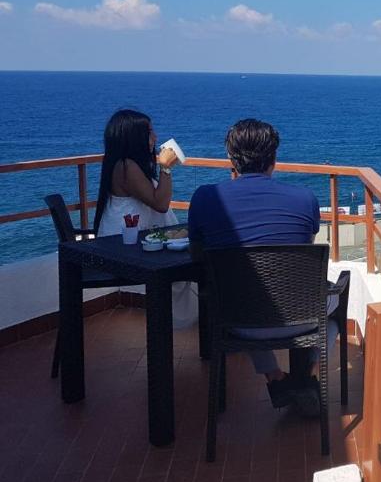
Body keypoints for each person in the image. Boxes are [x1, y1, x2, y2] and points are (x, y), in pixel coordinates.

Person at [188, 119, 345, 416]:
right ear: (274, 158)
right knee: (335, 314)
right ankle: (307, 375)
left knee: (244, 294)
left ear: (231, 161)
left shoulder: (205, 198)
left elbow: (198, 254)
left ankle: (275, 377)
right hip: (304, 317)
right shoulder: (304, 198)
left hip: (236, 321)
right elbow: (301, 245)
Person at [94, 109, 197, 327]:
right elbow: (160, 204)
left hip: (129, 241)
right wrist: (165, 168)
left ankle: (191, 319)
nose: (155, 137)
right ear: (134, 137)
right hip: (125, 247)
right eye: (149, 132)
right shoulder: (126, 167)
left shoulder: (123, 164)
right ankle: (202, 324)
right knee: (193, 264)